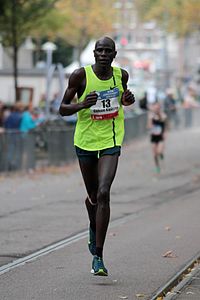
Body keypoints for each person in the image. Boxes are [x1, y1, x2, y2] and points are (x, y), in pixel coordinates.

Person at [59, 36, 135, 276]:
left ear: (114, 55)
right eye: (99, 50)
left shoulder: (121, 75)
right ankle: (94, 226)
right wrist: (81, 105)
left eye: (107, 51)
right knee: (93, 195)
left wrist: (127, 100)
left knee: (104, 192)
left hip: (111, 139)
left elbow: (122, 100)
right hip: (85, 141)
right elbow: (62, 109)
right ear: (94, 53)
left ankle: (98, 257)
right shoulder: (80, 76)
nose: (103, 54)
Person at [147, 102, 167, 174]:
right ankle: (157, 166)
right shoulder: (151, 116)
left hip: (160, 136)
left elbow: (165, 125)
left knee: (159, 151)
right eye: (155, 108)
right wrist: (150, 120)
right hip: (153, 136)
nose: (156, 109)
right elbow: (148, 127)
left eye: (158, 108)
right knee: (155, 154)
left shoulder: (163, 115)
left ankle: (161, 154)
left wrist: (165, 133)